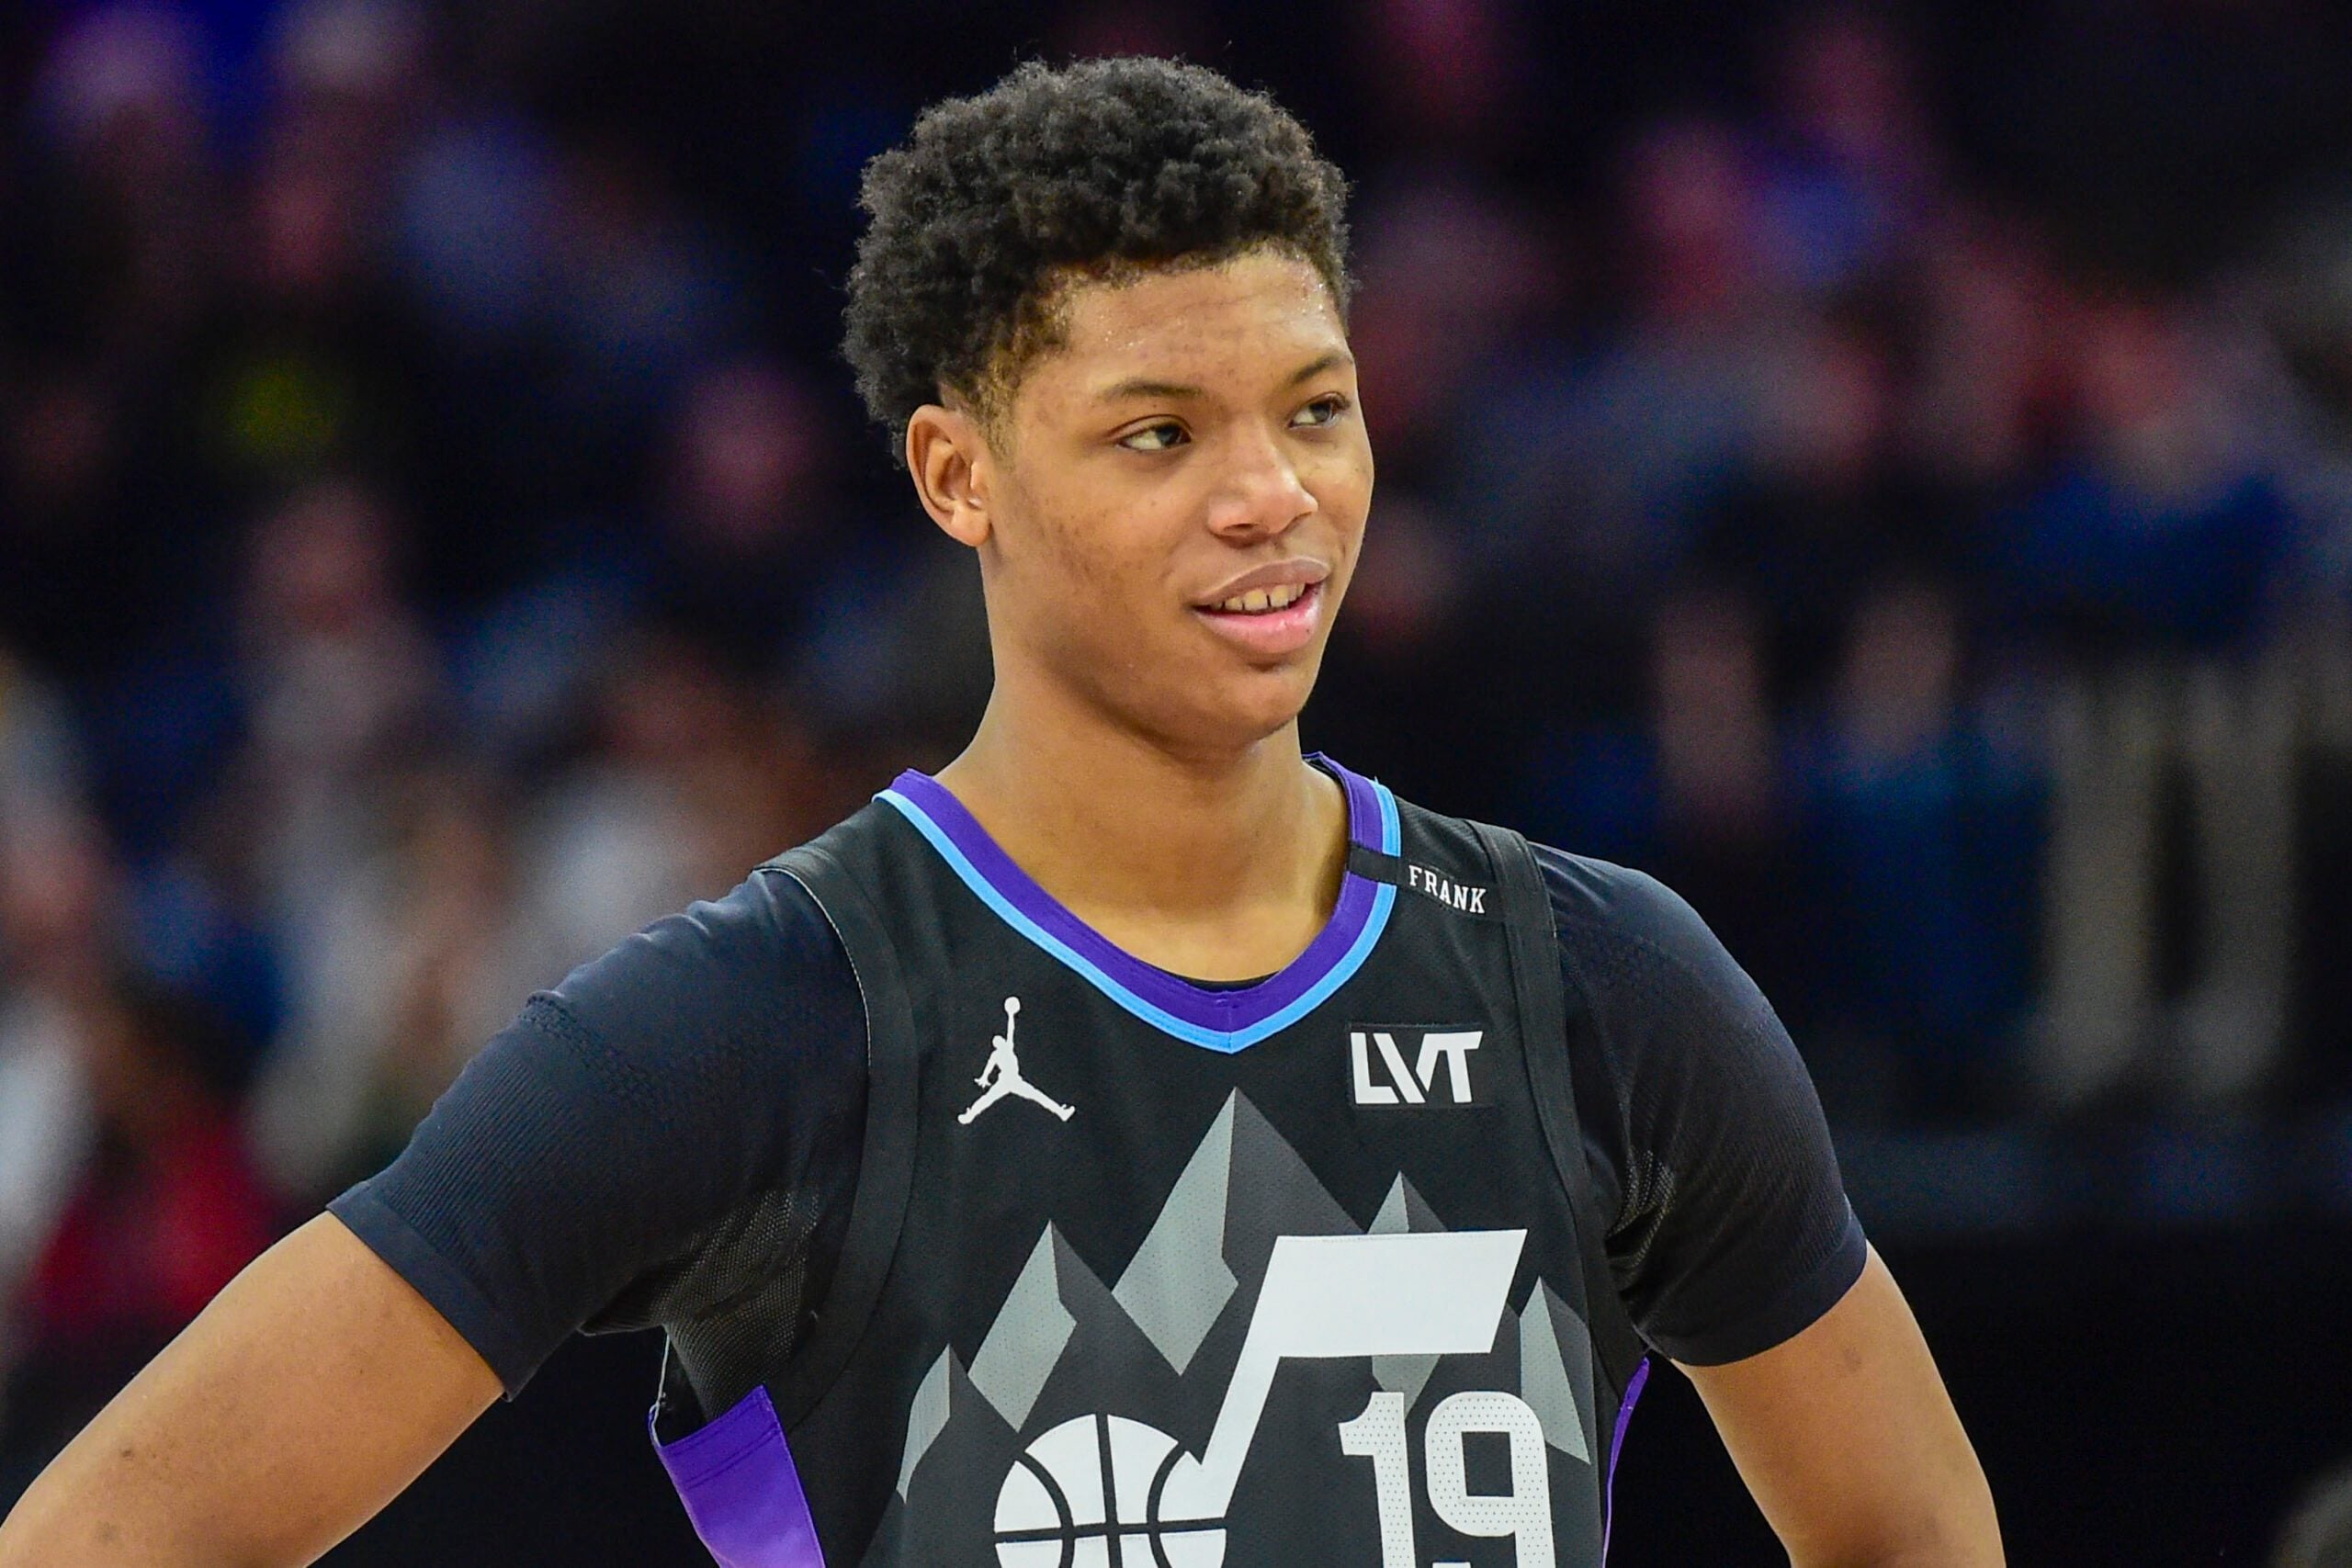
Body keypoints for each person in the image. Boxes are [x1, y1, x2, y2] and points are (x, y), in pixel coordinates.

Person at [0, 58, 2000, 1566]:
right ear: (958, 477)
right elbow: (116, 1529)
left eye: (1314, 406)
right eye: (1158, 431)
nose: (1269, 495)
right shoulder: (755, 1020)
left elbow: (1909, 1529)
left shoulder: (1596, 981)